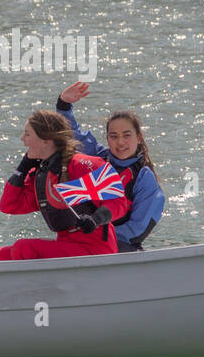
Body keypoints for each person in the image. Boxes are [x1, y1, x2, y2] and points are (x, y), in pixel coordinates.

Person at [0, 110, 129, 262]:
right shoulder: (41, 174)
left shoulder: (82, 165)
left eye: (27, 134)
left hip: (95, 249)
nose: (22, 139)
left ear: (46, 139)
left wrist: (95, 219)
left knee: (24, 248)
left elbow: (118, 203)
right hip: (67, 245)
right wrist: (23, 167)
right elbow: (9, 206)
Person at [55, 82, 165, 253]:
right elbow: (72, 134)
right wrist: (63, 104)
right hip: (86, 241)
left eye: (126, 135)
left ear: (139, 137)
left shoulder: (145, 177)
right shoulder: (97, 158)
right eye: (114, 136)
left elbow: (138, 230)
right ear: (107, 139)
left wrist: (99, 235)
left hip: (121, 248)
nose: (120, 142)